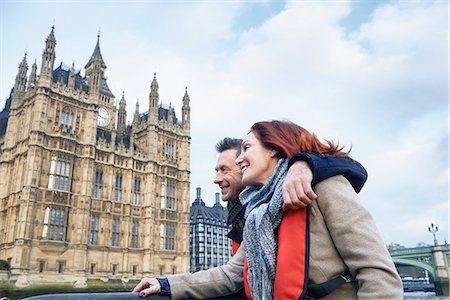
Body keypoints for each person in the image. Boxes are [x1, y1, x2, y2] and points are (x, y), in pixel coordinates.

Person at [134, 133, 376, 299]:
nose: (216, 178)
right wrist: (167, 284)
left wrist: (304, 164)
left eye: (225, 169)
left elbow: (375, 271)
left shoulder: (316, 183)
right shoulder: (255, 213)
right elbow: (232, 273)